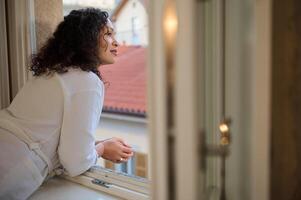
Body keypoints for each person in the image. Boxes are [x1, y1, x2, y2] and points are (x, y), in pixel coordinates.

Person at [0, 8, 133, 199]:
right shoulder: (87, 81)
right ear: (87, 37)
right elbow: (76, 162)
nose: (116, 42)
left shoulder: (53, 72)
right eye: (108, 34)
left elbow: (52, 137)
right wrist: (103, 149)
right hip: (11, 166)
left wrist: (97, 145)